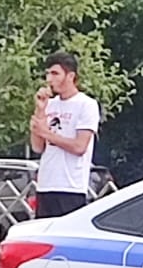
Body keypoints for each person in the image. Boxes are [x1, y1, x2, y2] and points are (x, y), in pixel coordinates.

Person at [28, 52, 101, 219]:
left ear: (70, 76)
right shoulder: (50, 104)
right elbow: (38, 147)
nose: (49, 79)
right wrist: (40, 110)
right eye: (47, 74)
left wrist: (47, 133)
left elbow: (79, 146)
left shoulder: (86, 105)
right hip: (46, 185)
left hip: (70, 187)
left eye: (55, 74)